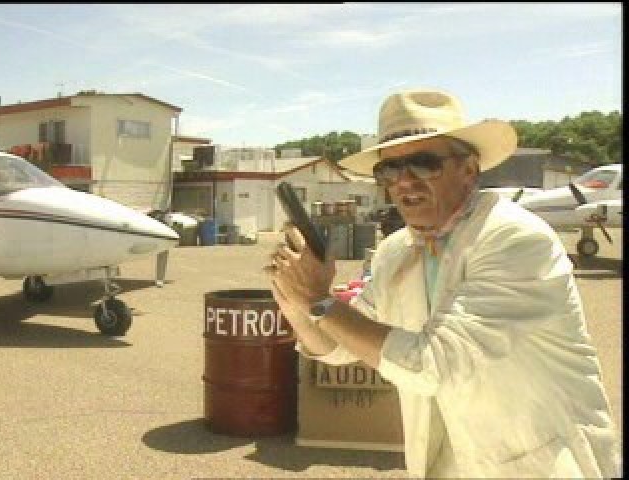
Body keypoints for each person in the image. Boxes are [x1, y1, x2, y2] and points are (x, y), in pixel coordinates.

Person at [265, 88, 619, 479]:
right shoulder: (396, 251)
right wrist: (296, 302)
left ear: (469, 170)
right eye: (389, 170)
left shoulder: (515, 238)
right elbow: (339, 346)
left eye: (423, 163)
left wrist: (321, 301)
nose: (404, 181)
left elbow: (432, 365)